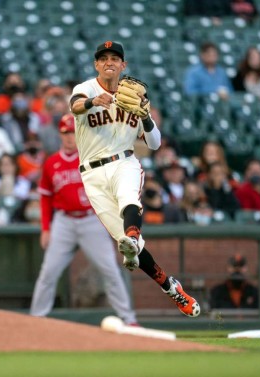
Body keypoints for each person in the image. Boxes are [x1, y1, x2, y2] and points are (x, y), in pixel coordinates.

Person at [69, 40, 200, 317]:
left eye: (114, 58)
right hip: (91, 174)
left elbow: (154, 144)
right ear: (96, 64)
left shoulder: (134, 97)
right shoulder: (85, 89)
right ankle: (172, 288)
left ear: (123, 65)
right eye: (103, 58)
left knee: (129, 200)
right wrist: (94, 101)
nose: (109, 62)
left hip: (124, 161)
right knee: (135, 249)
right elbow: (76, 107)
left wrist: (146, 116)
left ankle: (131, 234)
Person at [30, 114, 138, 325]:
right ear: (60, 135)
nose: (70, 137)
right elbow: (45, 197)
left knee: (110, 270)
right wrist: (45, 228)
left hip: (91, 220)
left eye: (73, 132)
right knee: (48, 272)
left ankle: (128, 318)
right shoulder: (51, 163)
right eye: (65, 133)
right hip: (63, 222)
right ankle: (36, 318)